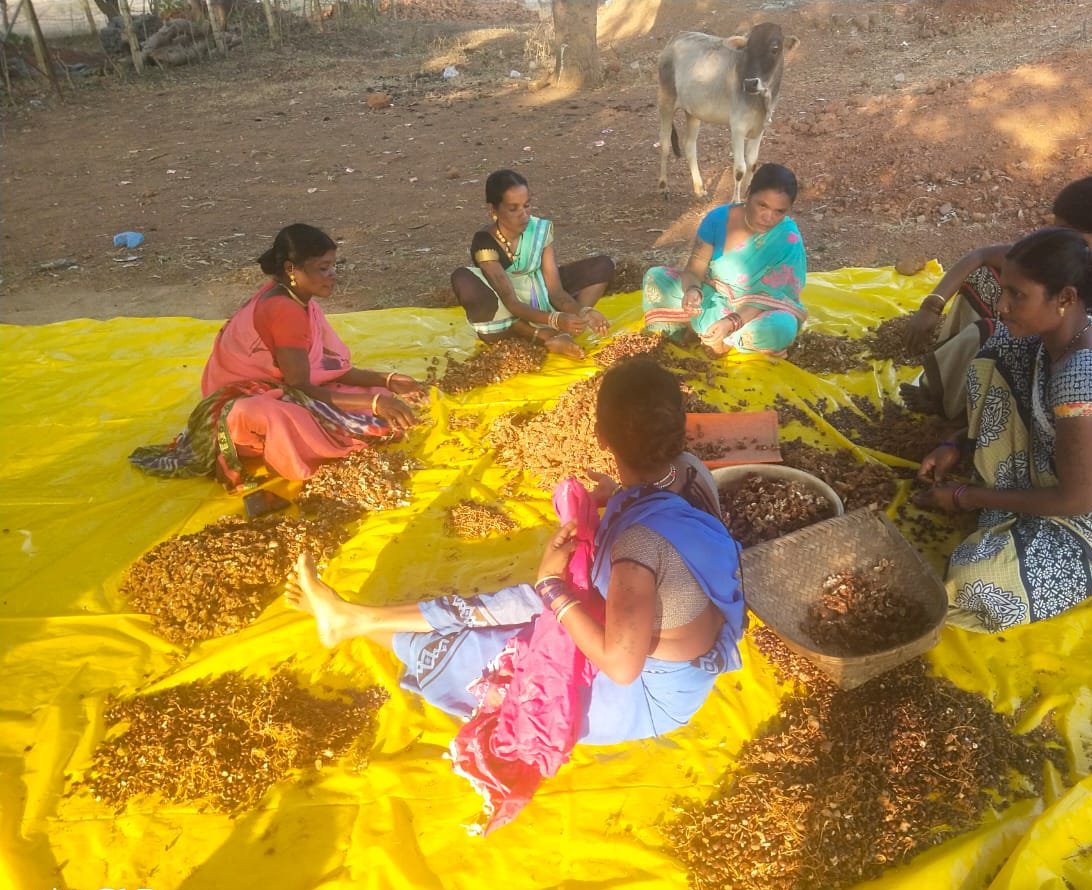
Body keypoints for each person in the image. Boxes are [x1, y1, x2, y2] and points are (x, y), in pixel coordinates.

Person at [286, 359, 745, 746]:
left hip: (646, 695)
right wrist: (618, 496)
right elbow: (674, 527)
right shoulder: (690, 471)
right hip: (648, 632)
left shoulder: (637, 546)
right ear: (677, 430)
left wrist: (553, 587)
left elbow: (622, 667)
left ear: (602, 437)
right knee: (514, 604)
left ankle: (350, 623)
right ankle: (353, 616)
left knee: (481, 656)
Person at [914, 227, 1092, 633]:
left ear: (1065, 298)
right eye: (1004, 290)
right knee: (999, 349)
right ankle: (1005, 492)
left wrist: (963, 495)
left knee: (976, 585)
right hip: (1067, 478)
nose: (1002, 306)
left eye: (1018, 296)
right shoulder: (1055, 337)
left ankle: (1091, 551)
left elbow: (1080, 499)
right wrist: (957, 443)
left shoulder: (1081, 375)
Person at [130, 224, 425, 488]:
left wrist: (387, 381)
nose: (333, 275)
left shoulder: (297, 299)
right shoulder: (284, 311)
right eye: (323, 268)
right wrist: (375, 403)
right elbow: (301, 386)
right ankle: (279, 456)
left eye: (333, 266)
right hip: (239, 407)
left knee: (373, 394)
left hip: (280, 387)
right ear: (292, 269)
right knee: (285, 419)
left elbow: (325, 370)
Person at [902, 176, 1092, 418]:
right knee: (984, 280)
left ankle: (959, 407)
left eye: (1066, 229)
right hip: (1048, 341)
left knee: (992, 334)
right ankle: (948, 384)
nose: (1057, 236)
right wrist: (932, 306)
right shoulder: (1074, 252)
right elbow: (980, 257)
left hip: (1073, 375)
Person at [642, 162, 807, 356]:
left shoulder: (788, 238)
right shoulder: (718, 219)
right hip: (713, 297)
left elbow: (774, 297)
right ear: (748, 194)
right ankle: (712, 335)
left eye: (779, 211)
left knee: (780, 328)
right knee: (656, 279)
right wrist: (693, 291)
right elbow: (694, 270)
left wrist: (731, 323)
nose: (768, 217)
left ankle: (722, 339)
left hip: (757, 312)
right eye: (762, 205)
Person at [450, 169, 615, 360]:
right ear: (493, 210)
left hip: (541, 296)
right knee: (463, 279)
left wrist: (584, 312)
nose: (524, 215)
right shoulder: (484, 242)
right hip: (507, 310)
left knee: (603, 265)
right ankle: (546, 336)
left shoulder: (539, 230)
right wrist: (556, 320)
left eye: (527, 205)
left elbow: (555, 291)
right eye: (513, 209)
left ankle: (567, 332)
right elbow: (510, 302)